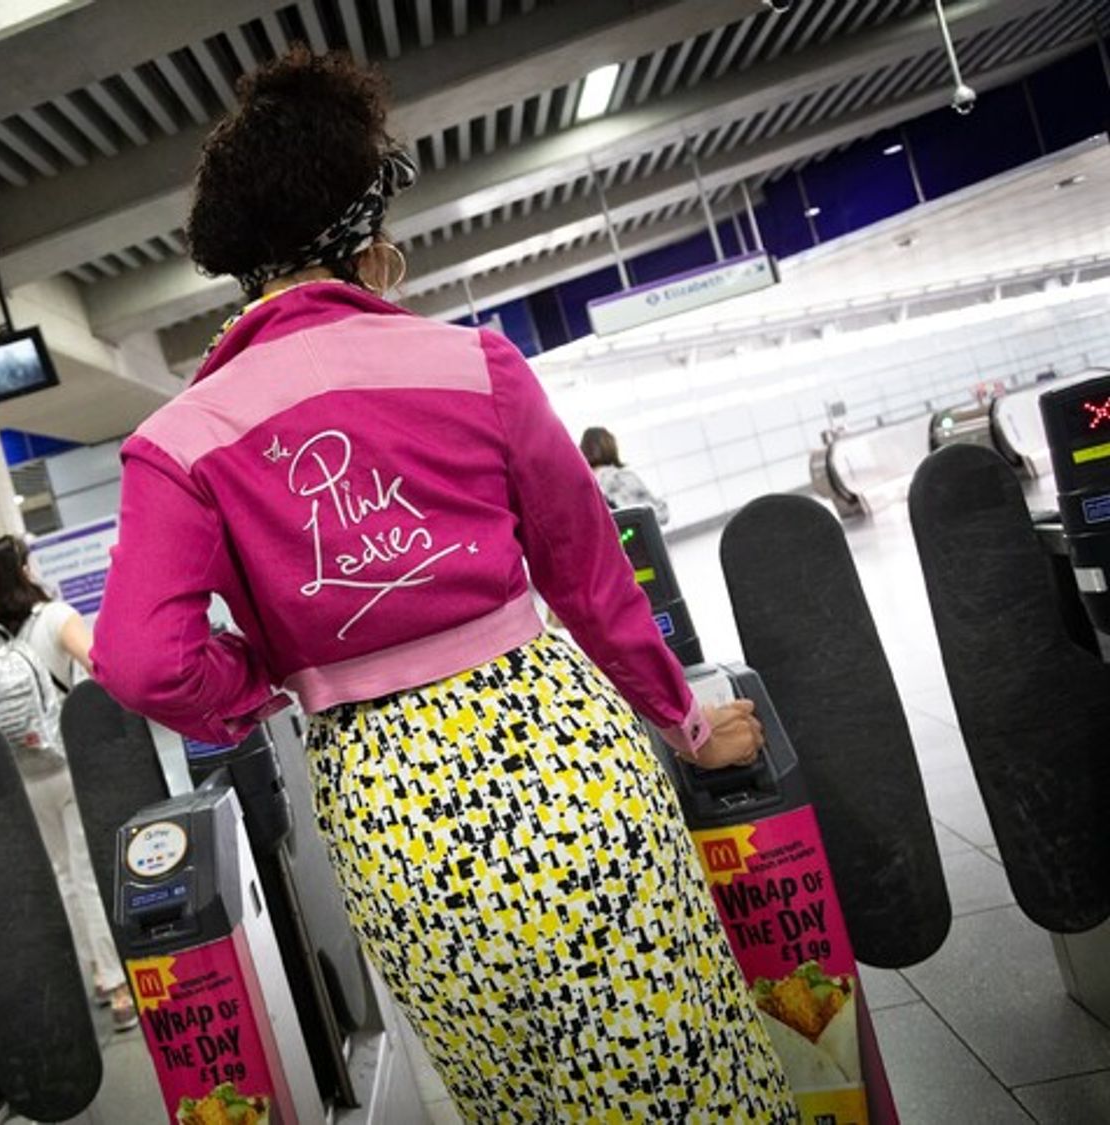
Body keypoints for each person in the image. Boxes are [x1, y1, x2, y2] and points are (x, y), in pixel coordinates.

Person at [92, 48, 794, 1122]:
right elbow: (592, 583)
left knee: (514, 1094)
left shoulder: (180, 441)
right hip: (568, 766)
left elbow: (142, 660)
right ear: (366, 242)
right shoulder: (477, 366)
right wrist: (691, 728)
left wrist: (271, 672)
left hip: (390, 815)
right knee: (684, 1074)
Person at [0, 535, 137, 1032]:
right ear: (25, 571)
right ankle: (118, 986)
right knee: (87, 874)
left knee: (62, 876)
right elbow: (99, 667)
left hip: (22, 772)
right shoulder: (57, 618)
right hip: (67, 763)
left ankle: (94, 976)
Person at [580, 426, 670, 523]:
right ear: (609, 446)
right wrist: (662, 506)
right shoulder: (620, 477)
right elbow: (659, 515)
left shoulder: (584, 484)